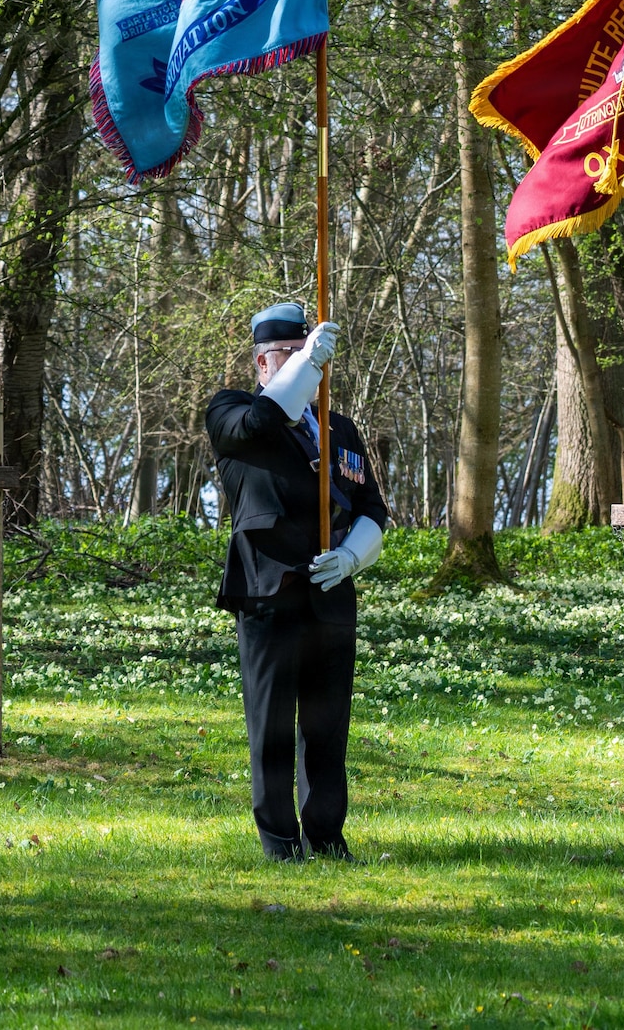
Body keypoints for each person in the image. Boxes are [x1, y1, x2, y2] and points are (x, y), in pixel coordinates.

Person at [205, 303, 388, 861]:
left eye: (312, 355)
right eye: (288, 355)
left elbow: (373, 508)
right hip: (269, 591)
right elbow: (263, 418)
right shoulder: (233, 410)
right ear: (263, 362)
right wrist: (305, 363)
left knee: (328, 729)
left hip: (331, 596)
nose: (311, 367)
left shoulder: (341, 428)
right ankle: (280, 841)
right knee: (272, 727)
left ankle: (327, 836)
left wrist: (353, 556)